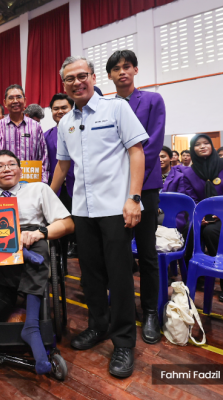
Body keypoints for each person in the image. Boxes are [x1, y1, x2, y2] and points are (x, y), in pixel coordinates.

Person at [51, 56, 148, 379]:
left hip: (115, 208)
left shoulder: (116, 108)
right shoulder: (65, 122)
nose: (76, 82)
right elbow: (63, 166)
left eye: (82, 76)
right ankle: (98, 325)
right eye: (69, 79)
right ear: (64, 85)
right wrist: (46, 199)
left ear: (93, 77)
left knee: (119, 277)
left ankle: (123, 342)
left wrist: (134, 198)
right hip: (82, 210)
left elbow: (136, 151)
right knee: (90, 275)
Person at [0, 150, 74, 375]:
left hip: (30, 244)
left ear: (20, 170)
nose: (6, 168)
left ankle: (31, 324)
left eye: (11, 164)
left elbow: (68, 224)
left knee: (39, 246)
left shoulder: (39, 189)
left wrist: (40, 233)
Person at [107, 49, 166, 345]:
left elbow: (151, 145)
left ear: (135, 70)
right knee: (117, 254)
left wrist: (135, 184)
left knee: (147, 253)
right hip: (113, 189)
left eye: (127, 66)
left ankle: (151, 311)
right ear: (109, 75)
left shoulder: (153, 100)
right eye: (116, 68)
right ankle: (124, 311)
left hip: (146, 186)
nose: (122, 72)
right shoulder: (106, 106)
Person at [177, 134, 223, 302]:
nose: (202, 146)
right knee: (190, 229)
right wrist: (200, 216)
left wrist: (221, 213)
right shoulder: (189, 173)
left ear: (212, 146)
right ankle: (193, 276)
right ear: (193, 150)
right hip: (202, 215)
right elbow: (190, 198)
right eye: (197, 144)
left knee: (212, 232)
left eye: (206, 143)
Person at [43, 93, 76, 257]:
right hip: (56, 191)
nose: (60, 111)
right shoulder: (46, 136)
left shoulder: (80, 130)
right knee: (59, 229)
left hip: (77, 190)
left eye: (64, 108)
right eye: (56, 108)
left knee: (80, 230)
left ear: (72, 109)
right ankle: (62, 266)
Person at [0, 84, 49, 183]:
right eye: (11, 98)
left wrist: (43, 182)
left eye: (19, 97)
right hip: (6, 181)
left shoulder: (36, 126)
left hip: (31, 182)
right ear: (5, 103)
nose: (15, 101)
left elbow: (43, 156)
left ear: (25, 101)